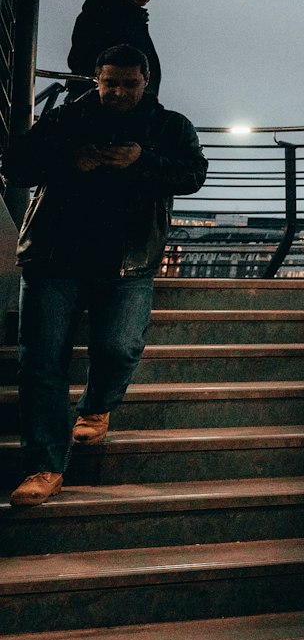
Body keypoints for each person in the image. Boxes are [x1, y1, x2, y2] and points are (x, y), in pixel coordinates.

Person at [4, 43, 207, 508]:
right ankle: (45, 466)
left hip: (128, 260)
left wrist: (143, 161)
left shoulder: (170, 126)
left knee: (119, 346)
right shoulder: (64, 120)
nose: (117, 92)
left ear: (146, 80)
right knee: (40, 363)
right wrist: (70, 161)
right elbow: (14, 165)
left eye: (128, 84)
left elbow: (193, 174)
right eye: (109, 82)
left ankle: (96, 406)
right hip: (54, 257)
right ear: (96, 79)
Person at [67, 0, 163, 97]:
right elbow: (84, 60)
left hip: (121, 99)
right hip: (111, 101)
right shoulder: (104, 16)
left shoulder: (129, 18)